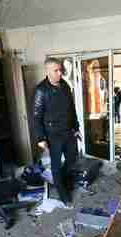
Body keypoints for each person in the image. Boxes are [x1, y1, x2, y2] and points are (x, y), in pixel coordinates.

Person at [34, 58, 81, 205]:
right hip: (53, 134)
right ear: (47, 71)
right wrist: (40, 138)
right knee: (55, 165)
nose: (60, 73)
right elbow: (36, 116)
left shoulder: (65, 85)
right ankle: (62, 193)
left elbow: (71, 108)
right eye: (56, 70)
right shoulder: (41, 90)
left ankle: (63, 180)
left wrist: (76, 127)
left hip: (68, 131)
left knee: (72, 159)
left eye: (60, 70)